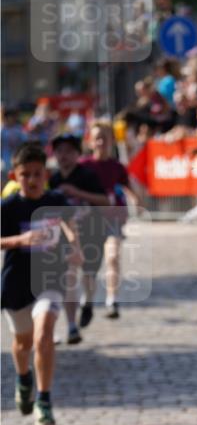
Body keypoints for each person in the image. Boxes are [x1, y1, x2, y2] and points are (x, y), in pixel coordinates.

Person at [1, 143, 82, 425]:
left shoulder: (56, 199)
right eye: (26, 175)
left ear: (46, 174)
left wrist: (75, 245)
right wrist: (19, 241)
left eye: (38, 174)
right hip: (16, 283)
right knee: (22, 344)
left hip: (49, 277)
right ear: (15, 176)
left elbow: (70, 224)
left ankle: (44, 400)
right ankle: (24, 380)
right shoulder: (8, 208)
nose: (33, 180)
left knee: (43, 337)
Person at [49, 133, 108, 341]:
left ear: (77, 154)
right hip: (65, 235)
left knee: (89, 274)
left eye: (69, 151)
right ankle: (72, 326)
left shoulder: (88, 175)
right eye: (59, 151)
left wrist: (77, 192)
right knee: (69, 277)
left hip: (91, 231)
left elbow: (104, 200)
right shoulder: (52, 179)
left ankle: (88, 302)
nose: (64, 156)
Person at [80, 119, 132, 319]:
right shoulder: (83, 166)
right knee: (89, 264)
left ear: (111, 141)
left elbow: (127, 187)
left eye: (105, 139)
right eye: (97, 139)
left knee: (112, 256)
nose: (101, 143)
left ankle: (112, 300)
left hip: (113, 219)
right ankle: (88, 299)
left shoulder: (117, 167)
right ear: (90, 142)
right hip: (90, 222)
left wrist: (134, 200)